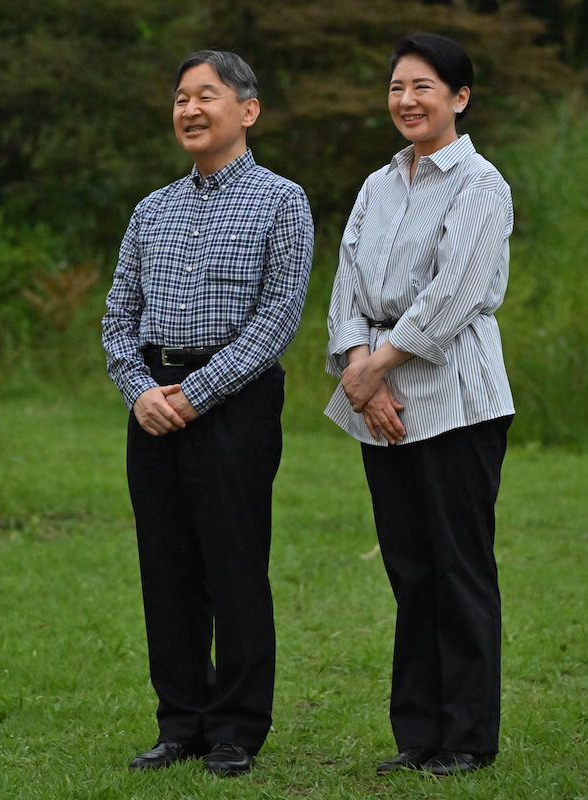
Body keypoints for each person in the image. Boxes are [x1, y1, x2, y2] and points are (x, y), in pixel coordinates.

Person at [102, 49, 314, 776]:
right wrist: (141, 392)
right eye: (180, 98)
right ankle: (180, 723)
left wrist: (198, 392)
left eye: (206, 96)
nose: (188, 110)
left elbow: (276, 318)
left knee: (232, 566)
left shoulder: (281, 201)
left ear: (246, 110)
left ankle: (236, 728)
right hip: (154, 404)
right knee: (165, 568)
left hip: (235, 406)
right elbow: (117, 317)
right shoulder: (150, 210)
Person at [325, 32, 514, 778]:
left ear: (458, 98)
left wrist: (378, 367)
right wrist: (355, 370)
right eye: (397, 87)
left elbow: (453, 295)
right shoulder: (377, 185)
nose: (405, 101)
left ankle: (466, 736)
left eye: (422, 88)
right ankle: (418, 735)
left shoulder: (479, 185)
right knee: (409, 570)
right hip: (379, 392)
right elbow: (344, 283)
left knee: (457, 568)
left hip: (456, 399)